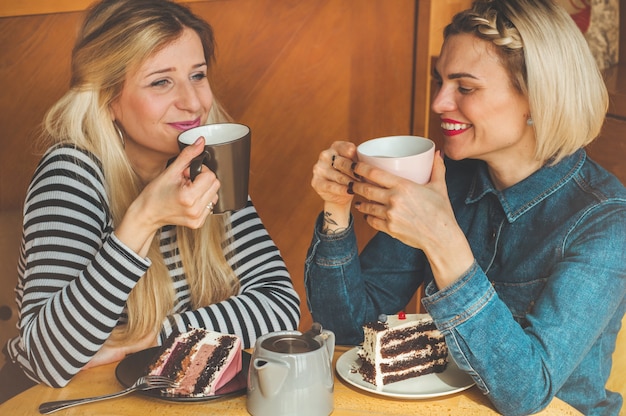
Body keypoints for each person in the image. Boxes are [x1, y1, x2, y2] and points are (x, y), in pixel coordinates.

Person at [305, 0, 625, 415]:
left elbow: (527, 394)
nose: (439, 103)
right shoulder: (449, 178)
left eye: (465, 87)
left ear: (536, 97)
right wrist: (336, 211)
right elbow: (348, 331)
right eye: (440, 81)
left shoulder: (605, 221)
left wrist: (444, 241)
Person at [0, 0, 300, 404]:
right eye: (161, 82)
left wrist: (147, 339)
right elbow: (51, 359)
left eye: (198, 75)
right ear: (109, 96)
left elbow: (279, 308)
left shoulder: (211, 162)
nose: (194, 103)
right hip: (51, 401)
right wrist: (142, 219)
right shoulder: (70, 174)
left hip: (158, 396)